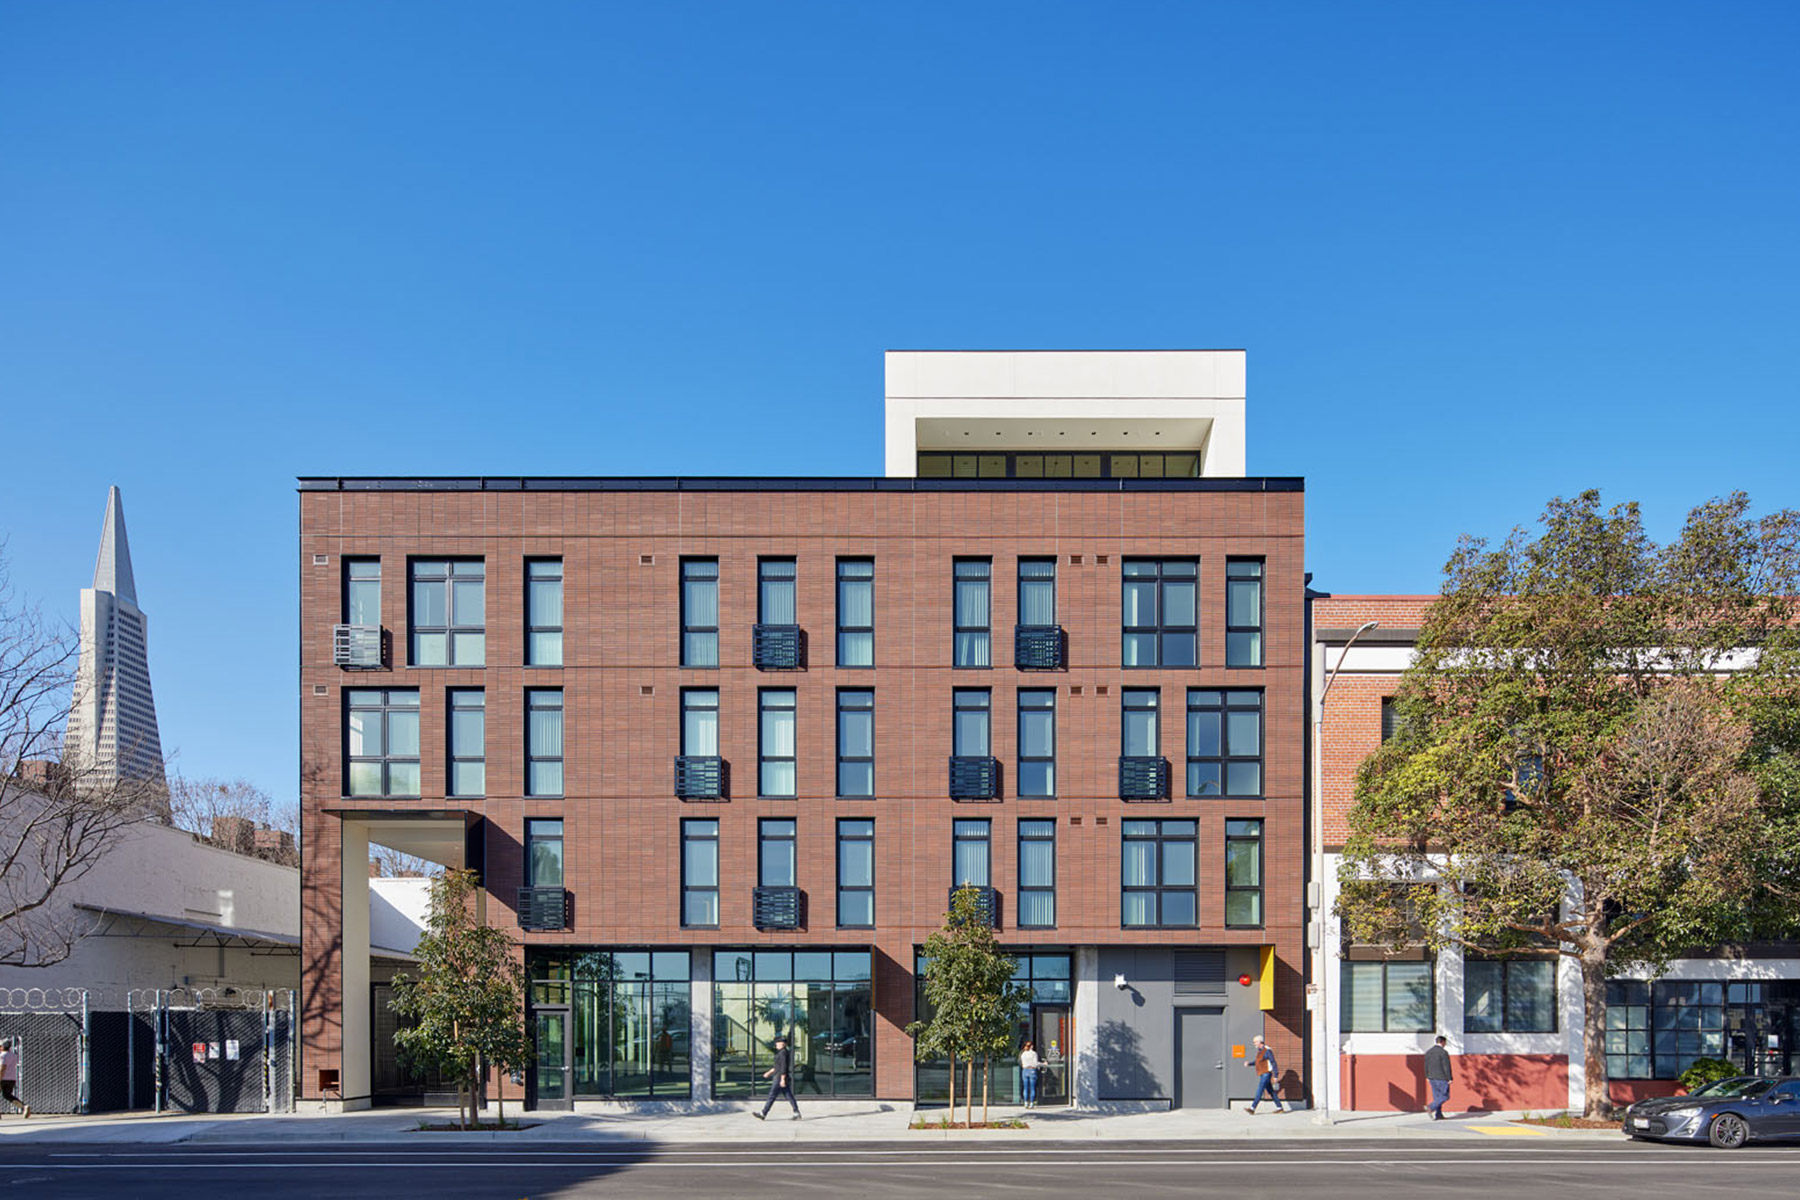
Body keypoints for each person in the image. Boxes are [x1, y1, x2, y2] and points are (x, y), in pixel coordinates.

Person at [752, 1034, 800, 1121]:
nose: (776, 1044)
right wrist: (769, 1073)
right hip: (779, 1077)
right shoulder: (781, 1053)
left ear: (783, 1044)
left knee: (772, 1095)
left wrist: (782, 1079)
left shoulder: (783, 1053)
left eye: (778, 1043)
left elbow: (784, 1067)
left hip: (779, 1078)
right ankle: (796, 1112)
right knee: (789, 1095)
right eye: (776, 1043)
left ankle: (763, 1113)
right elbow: (777, 1066)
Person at [1246, 1034, 1285, 1114]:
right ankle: (1280, 1108)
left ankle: (1252, 1108)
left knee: (1260, 1089)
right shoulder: (1260, 1051)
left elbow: (1273, 1062)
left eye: (1255, 1042)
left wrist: (1276, 1075)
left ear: (1260, 1042)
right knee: (1271, 1091)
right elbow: (1257, 1062)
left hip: (1266, 1074)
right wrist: (1249, 1064)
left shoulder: (1267, 1050)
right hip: (1262, 1073)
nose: (1254, 1044)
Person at [1424, 1034, 1454, 1121]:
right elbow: (1446, 1066)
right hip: (1441, 1077)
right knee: (1445, 1096)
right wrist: (1450, 1078)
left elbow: (1426, 1064)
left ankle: (1439, 1114)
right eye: (1445, 1043)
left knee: (1437, 1097)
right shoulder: (1443, 1052)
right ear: (1442, 1042)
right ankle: (1430, 1107)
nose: (1445, 1045)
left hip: (1431, 1077)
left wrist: (1427, 1075)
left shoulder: (1429, 1052)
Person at [0, 1038, 29, 1119]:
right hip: (12, 1078)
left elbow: (2, 1068)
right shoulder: (14, 1056)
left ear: (2, 1047)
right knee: (7, 1095)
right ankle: (24, 1106)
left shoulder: (2, 1056)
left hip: (2, 1078)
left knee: (6, 1095)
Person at [1019, 1040, 1041, 1109]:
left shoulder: (1023, 1054)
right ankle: (1031, 1103)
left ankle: (1025, 1102)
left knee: (1025, 1088)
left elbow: (1021, 1063)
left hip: (1025, 1070)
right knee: (1032, 1088)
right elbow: (1035, 1063)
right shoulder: (1034, 1054)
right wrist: (1043, 1064)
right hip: (1032, 1070)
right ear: (1031, 1046)